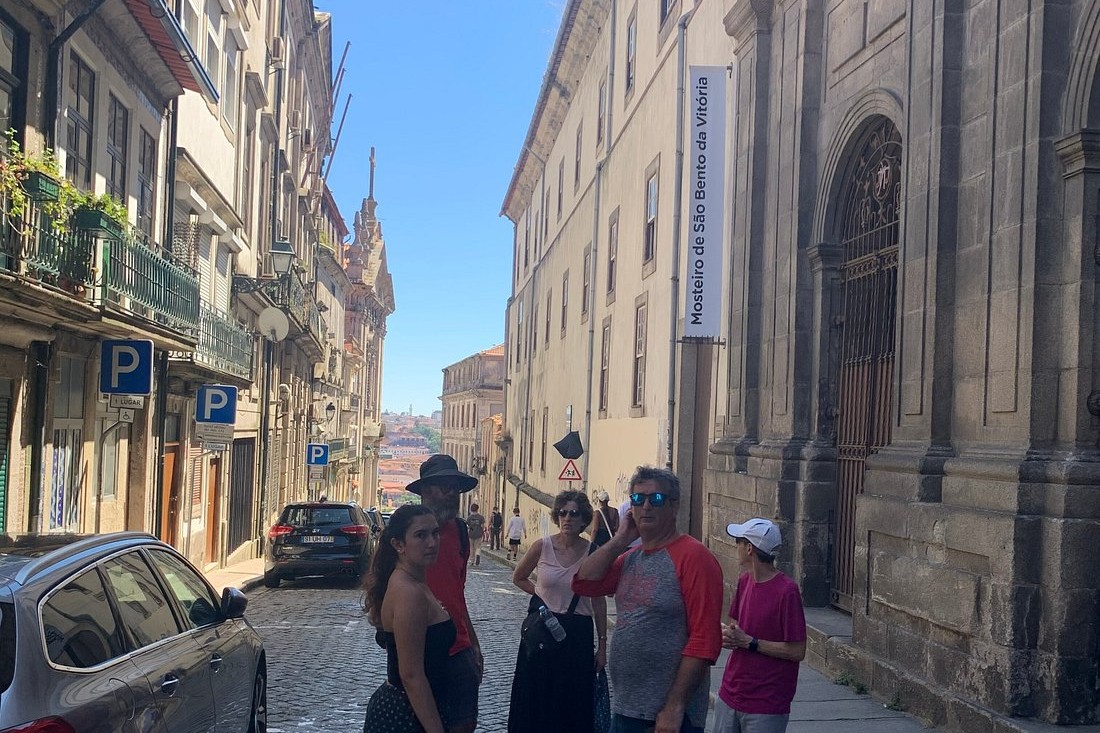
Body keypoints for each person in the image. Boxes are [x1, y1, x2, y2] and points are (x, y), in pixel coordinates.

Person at [574, 466, 723, 733]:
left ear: (674, 506)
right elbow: (584, 582)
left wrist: (674, 707)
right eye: (637, 499)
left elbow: (705, 640)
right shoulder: (631, 557)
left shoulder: (694, 557)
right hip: (626, 707)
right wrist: (621, 539)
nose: (645, 506)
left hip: (668, 717)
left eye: (655, 499)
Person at [508, 490, 608, 733]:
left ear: (583, 519)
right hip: (544, 628)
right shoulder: (541, 547)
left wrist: (602, 645)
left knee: (572, 702)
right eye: (563, 512)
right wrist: (540, 596)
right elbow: (518, 578)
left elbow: (598, 601)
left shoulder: (593, 553)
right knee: (537, 697)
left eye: (574, 514)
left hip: (578, 634)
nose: (567, 518)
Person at [406, 455, 482, 733]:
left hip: (459, 650)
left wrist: (474, 643)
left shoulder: (461, 532)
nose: (452, 492)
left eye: (455, 487)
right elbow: (380, 593)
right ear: (425, 491)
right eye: (444, 486)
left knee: (464, 725)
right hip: (418, 651)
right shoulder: (403, 534)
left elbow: (457, 595)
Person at [361, 504, 450, 733]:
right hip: (405, 714)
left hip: (415, 708)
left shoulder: (414, 582)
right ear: (399, 544)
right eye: (420, 535)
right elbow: (410, 674)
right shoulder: (408, 592)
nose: (432, 542)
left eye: (435, 533)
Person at [715, 518, 807, 733]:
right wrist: (730, 636)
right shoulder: (744, 581)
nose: (735, 546)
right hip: (731, 692)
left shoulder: (787, 591)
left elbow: (797, 650)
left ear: (749, 549)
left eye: (738, 541)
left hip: (766, 702)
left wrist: (750, 642)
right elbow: (737, 625)